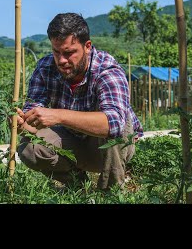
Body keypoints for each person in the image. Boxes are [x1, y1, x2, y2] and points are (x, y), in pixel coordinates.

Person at [16, 13, 143, 190]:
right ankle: (77, 186)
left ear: (87, 46)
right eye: (56, 52)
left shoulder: (106, 70)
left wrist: (59, 116)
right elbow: (32, 122)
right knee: (29, 147)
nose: (61, 60)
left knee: (115, 127)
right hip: (72, 142)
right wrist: (22, 123)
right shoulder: (45, 68)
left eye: (69, 53)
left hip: (109, 148)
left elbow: (113, 125)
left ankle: (111, 192)